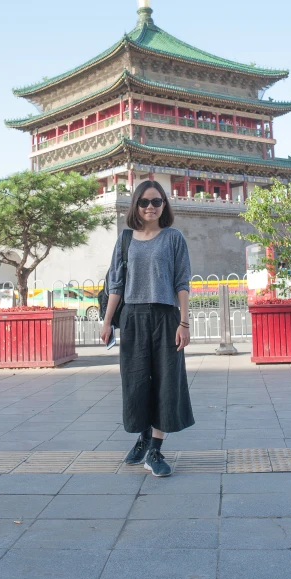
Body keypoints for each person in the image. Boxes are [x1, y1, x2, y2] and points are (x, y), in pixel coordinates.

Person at [101, 180, 194, 477]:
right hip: (132, 317)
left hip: (166, 318)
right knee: (136, 382)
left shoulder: (173, 238)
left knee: (167, 383)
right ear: (135, 207)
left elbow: (182, 282)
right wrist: (107, 322)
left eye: (156, 201)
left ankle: (155, 449)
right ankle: (142, 438)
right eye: (144, 202)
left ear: (164, 204)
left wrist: (184, 322)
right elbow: (116, 284)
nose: (150, 207)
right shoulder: (126, 239)